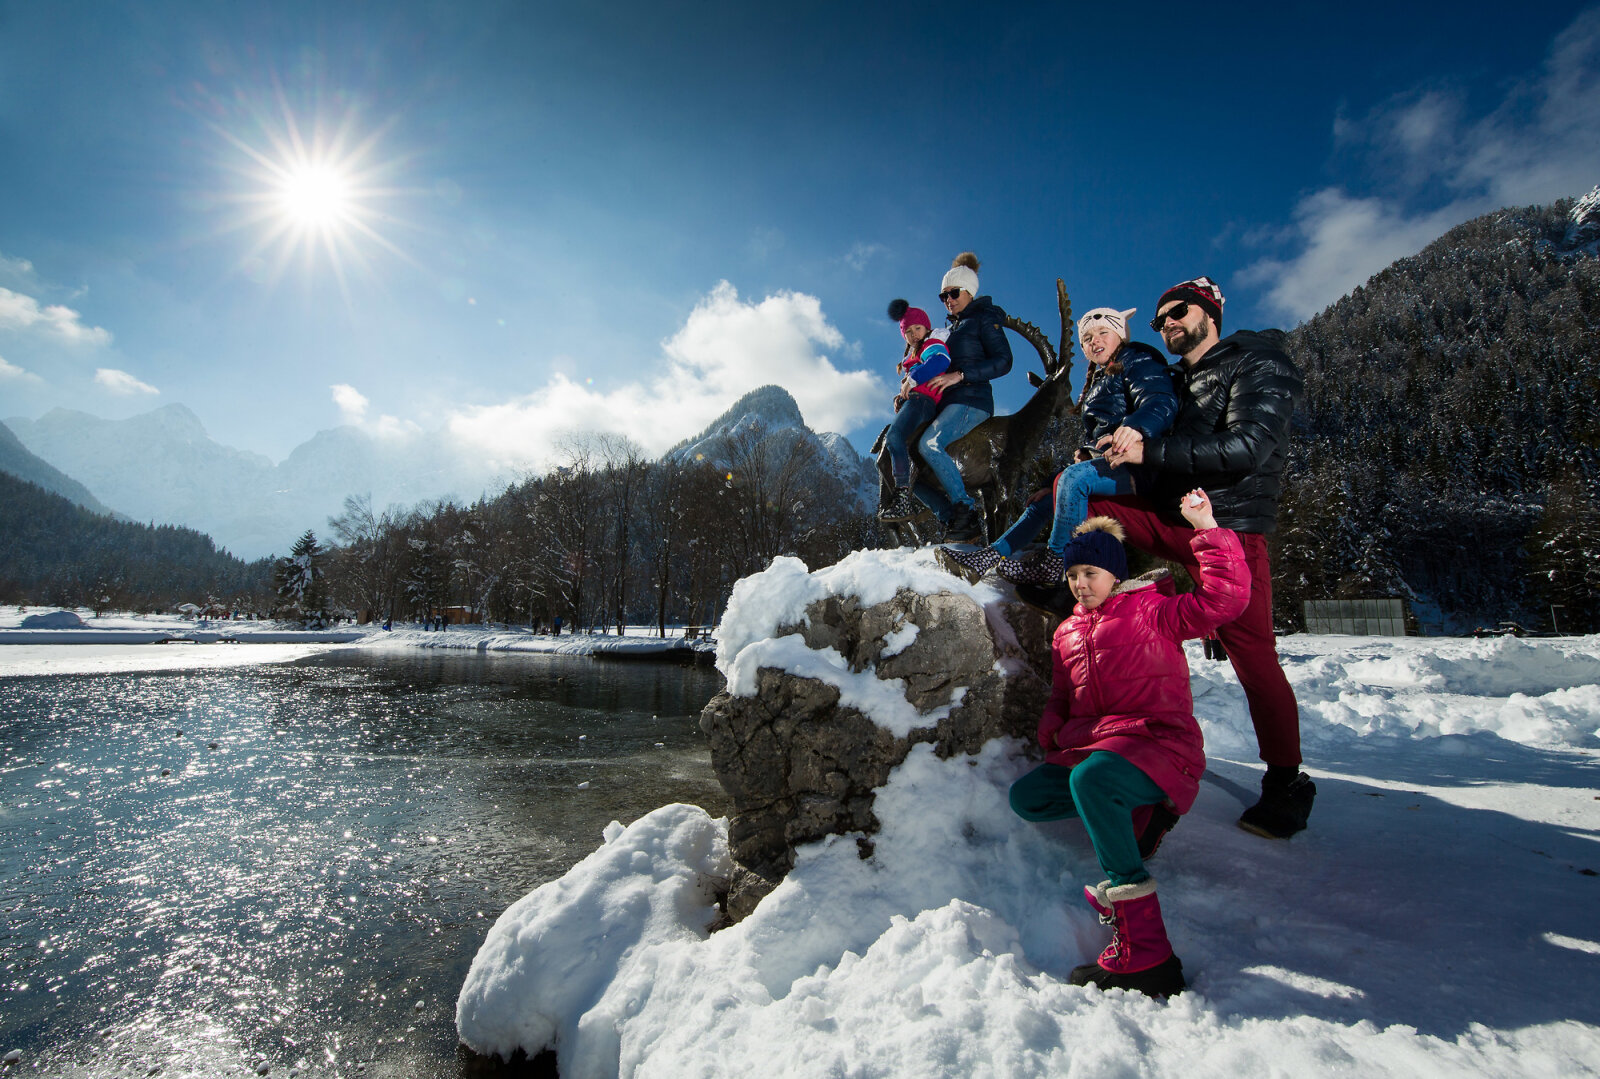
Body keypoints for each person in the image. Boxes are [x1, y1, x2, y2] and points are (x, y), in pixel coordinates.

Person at [1094, 276, 1315, 839]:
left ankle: (1287, 780)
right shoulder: (1174, 380)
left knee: (1254, 661)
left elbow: (1247, 447)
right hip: (1172, 524)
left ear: (1209, 311)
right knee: (1075, 493)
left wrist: (1150, 448)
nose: (1167, 322)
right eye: (1159, 317)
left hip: (1229, 533)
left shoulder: (1259, 364)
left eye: (1178, 311)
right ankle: (1069, 593)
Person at [1009, 491, 1247, 998]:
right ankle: (1140, 813)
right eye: (1073, 575)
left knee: (1092, 780)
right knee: (1027, 798)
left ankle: (1146, 949)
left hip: (1158, 742)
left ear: (1114, 574)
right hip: (1095, 746)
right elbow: (1061, 691)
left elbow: (1224, 599)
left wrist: (1206, 528)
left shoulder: (1154, 612)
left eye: (1090, 573)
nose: (1080, 583)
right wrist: (1051, 725)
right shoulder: (1067, 632)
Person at [937, 306, 1176, 582]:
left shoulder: (1137, 359)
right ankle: (985, 559)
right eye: (1087, 338)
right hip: (1110, 464)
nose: (1094, 341)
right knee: (1042, 503)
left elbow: (1159, 400)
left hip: (1142, 466)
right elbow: (1090, 447)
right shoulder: (1100, 380)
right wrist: (1050, 483)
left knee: (1072, 480)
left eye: (1102, 333)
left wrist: (1135, 427)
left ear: (1120, 335)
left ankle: (1055, 563)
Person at [910, 252, 1014, 542]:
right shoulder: (951, 328)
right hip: (946, 404)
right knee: (910, 466)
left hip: (972, 401)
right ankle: (952, 521)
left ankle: (965, 514)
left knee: (929, 444)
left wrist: (962, 375)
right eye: (943, 296)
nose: (948, 300)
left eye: (953, 293)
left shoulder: (984, 319)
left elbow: (1004, 361)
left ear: (969, 291)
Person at [879, 300, 952, 522]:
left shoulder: (932, 343)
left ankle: (902, 498)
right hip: (917, 401)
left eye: (917, 328)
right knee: (896, 461)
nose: (914, 335)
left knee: (894, 437)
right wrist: (902, 395)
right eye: (908, 332)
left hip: (923, 402)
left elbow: (941, 360)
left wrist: (911, 380)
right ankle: (947, 515)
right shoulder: (913, 355)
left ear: (926, 327)